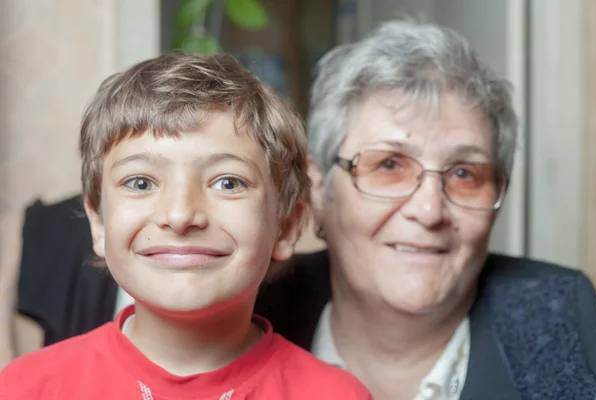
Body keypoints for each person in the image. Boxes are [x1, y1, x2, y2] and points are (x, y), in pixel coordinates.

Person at [255, 20, 596, 399]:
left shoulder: (560, 317)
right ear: (318, 189)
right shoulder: (252, 311)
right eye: (389, 165)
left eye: (464, 173)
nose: (430, 209)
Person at [0, 53, 371, 399]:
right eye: (140, 183)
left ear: (287, 226)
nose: (179, 216)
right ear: (98, 222)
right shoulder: (25, 388)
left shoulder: (337, 394)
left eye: (228, 183)